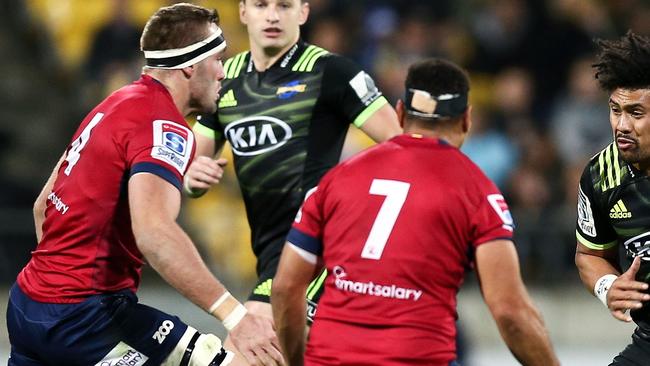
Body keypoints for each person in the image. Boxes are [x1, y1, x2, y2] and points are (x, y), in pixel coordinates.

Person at [6, 3, 283, 366]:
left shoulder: (114, 103)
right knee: (250, 359)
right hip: (86, 320)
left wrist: (60, 286)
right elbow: (154, 233)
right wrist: (236, 317)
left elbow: (43, 206)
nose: (222, 74)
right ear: (189, 66)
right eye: (217, 60)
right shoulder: (163, 125)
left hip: (30, 301)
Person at [271, 58, 560, 365]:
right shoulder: (478, 192)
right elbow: (510, 311)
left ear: (399, 112)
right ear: (466, 120)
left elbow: (286, 287)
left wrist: (296, 361)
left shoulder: (337, 178)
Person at [184, 0, 401, 353]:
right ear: (243, 13)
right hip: (272, 254)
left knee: (245, 353)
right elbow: (189, 167)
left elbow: (404, 149)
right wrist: (192, 178)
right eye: (261, 5)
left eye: (284, 5)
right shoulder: (225, 80)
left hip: (322, 250)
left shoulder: (333, 73)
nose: (272, 15)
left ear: (302, 13)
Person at [575, 31, 650, 365]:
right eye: (615, 110)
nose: (621, 125)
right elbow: (589, 254)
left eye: (636, 113)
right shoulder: (601, 175)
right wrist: (608, 286)